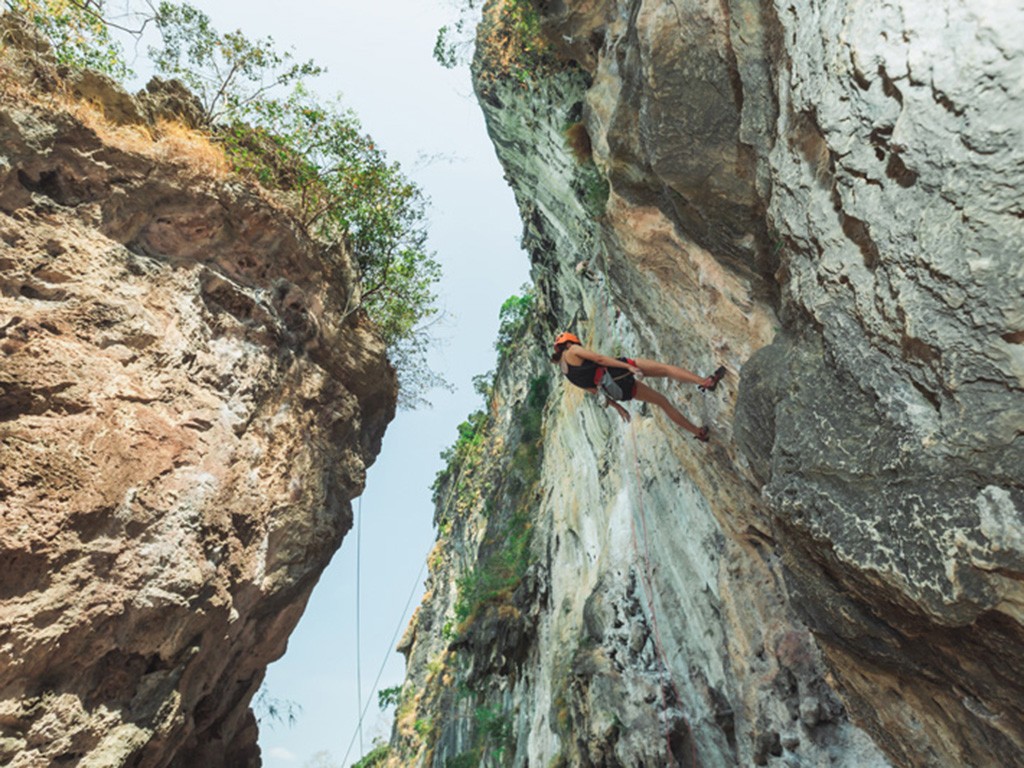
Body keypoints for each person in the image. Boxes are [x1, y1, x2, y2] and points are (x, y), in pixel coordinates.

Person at [551, 332, 724, 442]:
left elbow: (594, 391)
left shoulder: (567, 373)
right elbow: (599, 359)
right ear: (568, 343)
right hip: (617, 372)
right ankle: (704, 382)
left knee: (663, 402)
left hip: (617, 390)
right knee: (665, 369)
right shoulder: (572, 350)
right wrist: (628, 367)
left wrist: (619, 408)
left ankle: (698, 432)